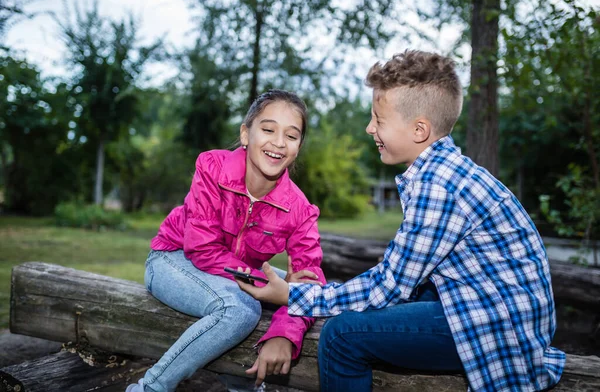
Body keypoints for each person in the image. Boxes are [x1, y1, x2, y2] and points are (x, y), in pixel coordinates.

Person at [236, 51, 566, 392]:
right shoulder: (445, 171)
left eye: (378, 119)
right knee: (376, 303)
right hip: (490, 307)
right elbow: (401, 277)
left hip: (496, 327)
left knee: (341, 335)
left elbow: (389, 285)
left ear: (419, 129)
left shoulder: (438, 186)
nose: (369, 128)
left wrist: (293, 295)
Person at [126, 89, 326, 392]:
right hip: (173, 259)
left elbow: (310, 282)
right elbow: (202, 248)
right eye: (268, 129)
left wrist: (285, 334)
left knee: (306, 297)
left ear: (298, 146)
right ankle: (149, 388)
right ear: (246, 134)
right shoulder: (212, 168)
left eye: (292, 135)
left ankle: (243, 385)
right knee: (243, 309)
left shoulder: (300, 209)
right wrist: (268, 287)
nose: (278, 142)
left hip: (231, 275)